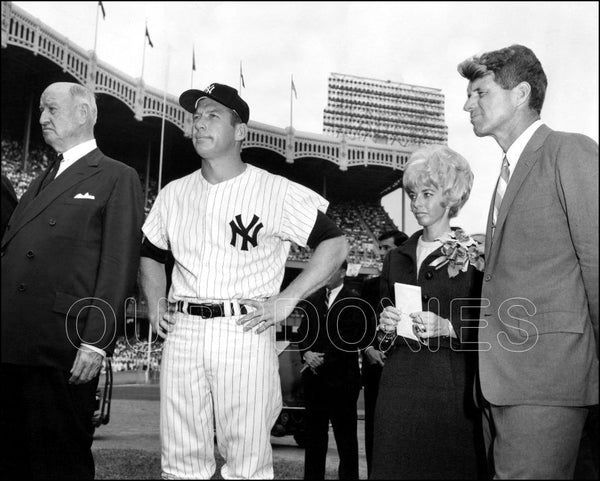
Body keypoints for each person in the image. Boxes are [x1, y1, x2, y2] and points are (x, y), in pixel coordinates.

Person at [139, 82, 348, 479]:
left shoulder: (275, 189)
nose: (199, 123)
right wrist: (155, 302)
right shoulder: (173, 193)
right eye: (196, 116)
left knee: (247, 462)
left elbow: (334, 243)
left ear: (241, 132)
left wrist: (289, 299)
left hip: (243, 329)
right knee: (180, 461)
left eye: (212, 115)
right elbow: (150, 253)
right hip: (183, 330)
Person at [458, 44, 599, 479]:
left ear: (520, 93)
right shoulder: (505, 174)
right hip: (498, 385)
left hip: (548, 383)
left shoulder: (568, 151)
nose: (467, 104)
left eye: (480, 92)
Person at [0, 82, 144, 479]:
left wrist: (97, 342)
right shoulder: (41, 178)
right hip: (13, 345)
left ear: (83, 114)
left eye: (52, 109)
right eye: (42, 110)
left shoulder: (116, 176)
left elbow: (118, 265)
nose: (42, 118)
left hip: (60, 347)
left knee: (59, 461)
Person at [370, 145, 485, 480]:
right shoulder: (395, 257)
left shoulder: (475, 256)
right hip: (397, 387)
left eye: (427, 193)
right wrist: (386, 325)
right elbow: (383, 333)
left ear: (450, 197)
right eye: (412, 193)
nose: (416, 202)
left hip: (450, 389)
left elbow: (491, 322)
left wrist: (449, 326)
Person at [297, 260, 366, 480]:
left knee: (346, 441)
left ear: (343, 272)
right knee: (314, 440)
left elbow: (349, 339)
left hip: (342, 382)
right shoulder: (314, 299)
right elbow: (302, 334)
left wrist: (320, 358)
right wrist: (306, 352)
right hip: (315, 382)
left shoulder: (354, 300)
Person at [361, 229, 407, 476]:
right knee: (373, 431)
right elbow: (359, 325)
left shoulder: (413, 285)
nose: (382, 254)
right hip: (373, 368)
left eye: (387, 248)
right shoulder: (368, 286)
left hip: (404, 369)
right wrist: (367, 349)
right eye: (381, 248)